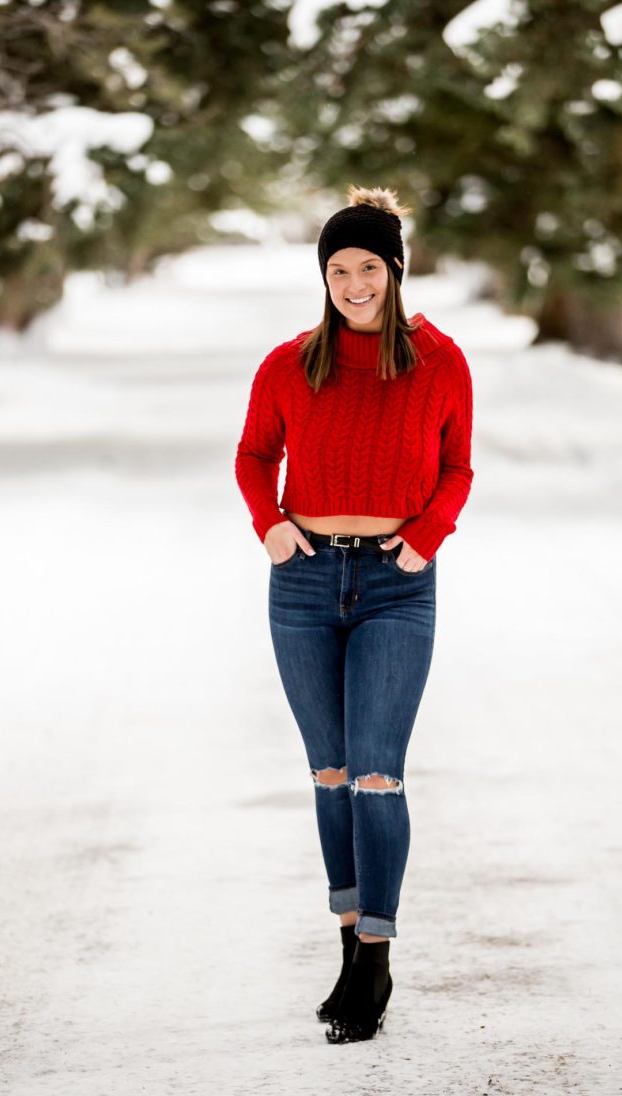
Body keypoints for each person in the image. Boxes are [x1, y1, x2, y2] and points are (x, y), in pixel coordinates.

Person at [235, 186, 473, 1044]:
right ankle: (347, 941)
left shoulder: (440, 363)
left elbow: (458, 468)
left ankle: (376, 953)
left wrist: (426, 539)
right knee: (330, 772)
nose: (353, 283)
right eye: (338, 269)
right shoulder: (291, 363)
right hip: (302, 584)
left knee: (377, 771)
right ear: (324, 277)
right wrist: (269, 525)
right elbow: (256, 453)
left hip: (396, 586)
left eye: (368, 266)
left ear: (396, 271)